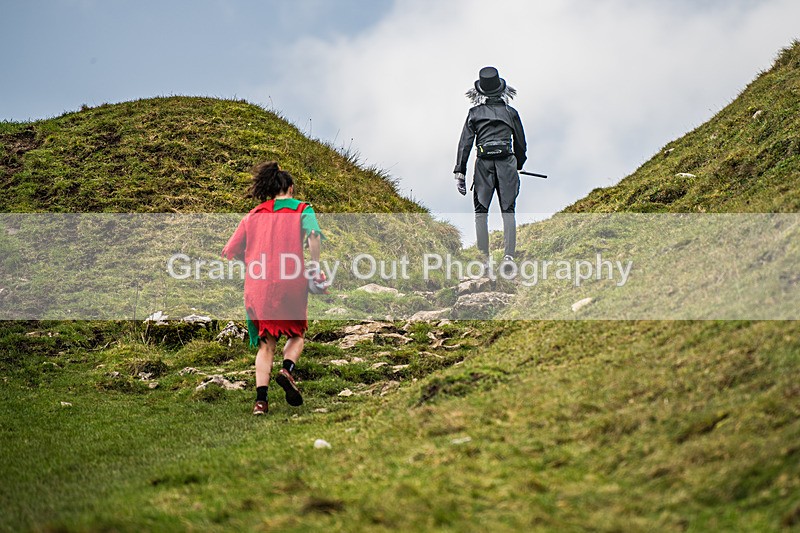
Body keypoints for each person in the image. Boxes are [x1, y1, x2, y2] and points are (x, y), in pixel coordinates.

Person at [221, 161, 326, 415]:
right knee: (297, 333)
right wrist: (315, 265)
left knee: (266, 345)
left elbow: (231, 251)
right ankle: (287, 370)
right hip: (291, 280)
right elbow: (313, 235)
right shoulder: (302, 209)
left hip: (258, 287)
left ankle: (261, 402)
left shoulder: (253, 215)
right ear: (290, 188)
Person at [454, 66, 527, 269]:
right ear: (501, 90)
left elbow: (465, 145)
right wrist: (518, 165)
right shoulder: (511, 113)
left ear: (480, 92)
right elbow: (521, 144)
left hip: (483, 166)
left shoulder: (474, 113)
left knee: (481, 211)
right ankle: (508, 257)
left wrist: (460, 172)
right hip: (507, 164)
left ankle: (483, 258)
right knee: (508, 209)